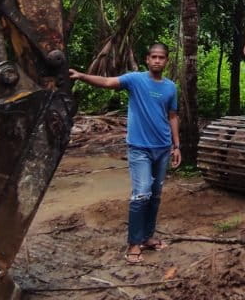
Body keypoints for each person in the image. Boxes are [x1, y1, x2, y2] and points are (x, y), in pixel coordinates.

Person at [68, 43, 181, 265]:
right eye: (154, 57)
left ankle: (147, 237)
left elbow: (173, 116)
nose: (157, 61)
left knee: (155, 195)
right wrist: (81, 76)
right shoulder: (135, 80)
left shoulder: (170, 87)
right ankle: (134, 243)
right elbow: (108, 82)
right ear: (147, 59)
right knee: (141, 194)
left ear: (166, 61)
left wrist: (177, 146)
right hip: (139, 147)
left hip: (162, 147)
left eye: (161, 57)